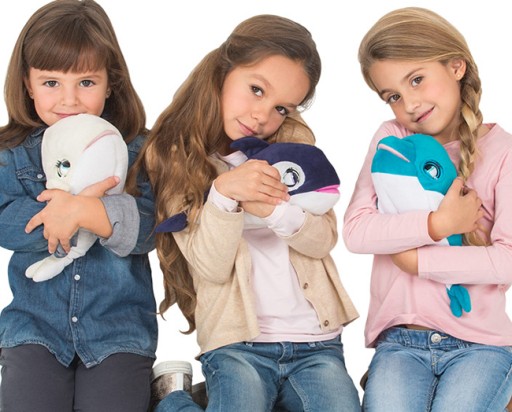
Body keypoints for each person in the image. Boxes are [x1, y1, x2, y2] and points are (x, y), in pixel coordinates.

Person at [132, 13, 360, 412]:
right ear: (223, 71)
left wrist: (275, 209)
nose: (262, 116)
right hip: (237, 344)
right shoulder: (176, 157)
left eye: (281, 108)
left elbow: (323, 239)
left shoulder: (293, 144)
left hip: (316, 342)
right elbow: (211, 265)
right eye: (256, 90)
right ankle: (172, 398)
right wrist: (223, 194)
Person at [343, 6, 512, 412]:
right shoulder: (392, 141)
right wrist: (437, 224)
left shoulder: (503, 152)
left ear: (456, 66)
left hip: (481, 345)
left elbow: (507, 260)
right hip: (400, 344)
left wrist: (420, 262)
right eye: (393, 96)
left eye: (417, 79)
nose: (410, 103)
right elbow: (356, 231)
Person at [0, 1, 157, 411]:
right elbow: (3, 222)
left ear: (111, 83)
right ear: (28, 84)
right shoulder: (13, 152)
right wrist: (60, 216)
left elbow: (152, 230)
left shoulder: (139, 150)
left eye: (86, 82)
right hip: (35, 327)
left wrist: (95, 214)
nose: (69, 100)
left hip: (118, 330)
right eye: (51, 82)